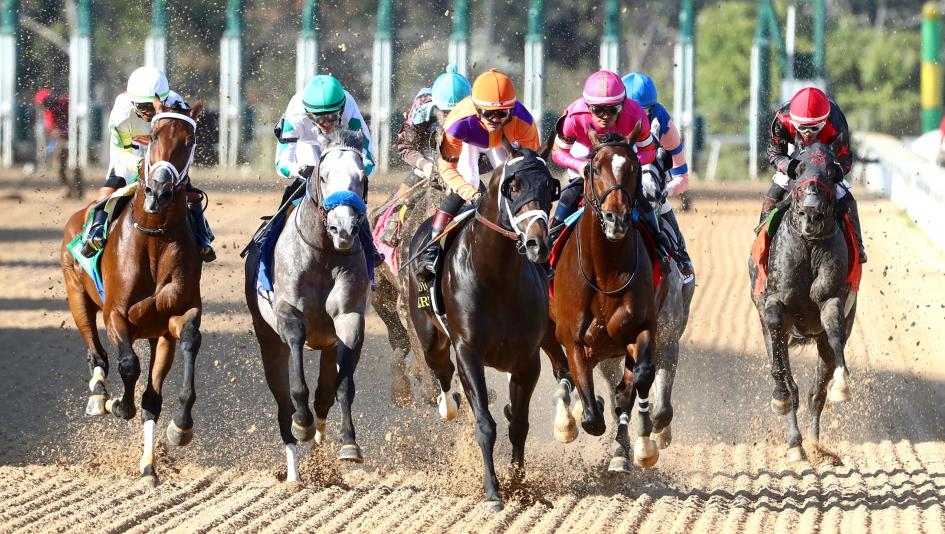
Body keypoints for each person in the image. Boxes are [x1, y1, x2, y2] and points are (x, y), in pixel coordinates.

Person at [415, 68, 540, 280]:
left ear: (511, 110)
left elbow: (531, 167)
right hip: (470, 141)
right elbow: (447, 168)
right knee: (470, 179)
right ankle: (431, 250)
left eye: (502, 113)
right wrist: (472, 195)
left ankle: (536, 244)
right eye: (488, 113)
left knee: (514, 181)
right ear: (476, 108)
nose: (494, 119)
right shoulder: (458, 122)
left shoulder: (524, 121)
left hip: (503, 141)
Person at [80, 67, 215, 262]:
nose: (148, 112)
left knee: (188, 190)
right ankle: (95, 231)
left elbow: (184, 144)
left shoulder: (177, 105)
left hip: (162, 151)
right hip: (132, 151)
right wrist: (142, 165)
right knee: (111, 188)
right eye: (143, 107)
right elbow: (122, 153)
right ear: (133, 101)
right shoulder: (121, 116)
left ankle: (202, 236)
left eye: (153, 106)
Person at [549, 70, 673, 266]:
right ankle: (549, 243)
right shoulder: (574, 117)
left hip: (622, 159)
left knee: (643, 197)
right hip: (588, 157)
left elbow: (649, 153)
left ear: (623, 105)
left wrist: (624, 162)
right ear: (587, 107)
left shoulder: (635, 114)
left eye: (612, 109)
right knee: (568, 196)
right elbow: (557, 153)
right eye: (597, 110)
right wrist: (580, 165)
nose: (604, 116)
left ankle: (660, 244)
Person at [273, 74, 380, 262]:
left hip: (340, 150)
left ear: (341, 109)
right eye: (319, 118)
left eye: (332, 116)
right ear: (308, 114)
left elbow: (369, 157)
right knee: (291, 198)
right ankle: (267, 239)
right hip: (307, 150)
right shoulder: (294, 115)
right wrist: (301, 170)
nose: (327, 123)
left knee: (353, 202)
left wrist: (356, 173)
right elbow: (281, 164)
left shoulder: (349, 108)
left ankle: (369, 248)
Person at [761, 86, 867, 263]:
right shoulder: (782, 119)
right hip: (795, 155)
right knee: (774, 192)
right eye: (802, 128)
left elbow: (846, 157)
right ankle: (761, 243)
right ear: (793, 121)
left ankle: (858, 244)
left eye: (814, 128)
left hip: (825, 158)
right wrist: (789, 166)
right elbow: (774, 152)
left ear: (825, 121)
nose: (808, 133)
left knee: (845, 195)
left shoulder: (837, 123)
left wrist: (837, 171)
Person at [382, 65, 471, 245]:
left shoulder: (479, 109)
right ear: (435, 107)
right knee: (392, 222)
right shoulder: (422, 104)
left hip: (464, 170)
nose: (451, 119)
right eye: (445, 113)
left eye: (457, 114)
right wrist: (425, 165)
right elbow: (406, 146)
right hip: (427, 167)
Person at [622, 72, 695, 279]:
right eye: (633, 111)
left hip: (651, 188)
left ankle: (681, 258)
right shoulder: (610, 115)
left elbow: (682, 177)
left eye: (644, 112)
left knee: (662, 208)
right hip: (615, 184)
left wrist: (666, 190)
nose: (639, 118)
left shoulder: (665, 126)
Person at [34, 88, 81, 198]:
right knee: (59, 164)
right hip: (63, 140)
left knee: (76, 164)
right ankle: (66, 189)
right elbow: (52, 129)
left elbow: (78, 116)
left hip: (76, 137)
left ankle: (79, 190)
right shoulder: (48, 112)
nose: (46, 105)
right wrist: (60, 132)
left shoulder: (65, 102)